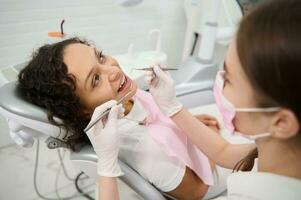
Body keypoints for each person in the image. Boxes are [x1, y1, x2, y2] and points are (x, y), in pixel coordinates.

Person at [86, 0, 301, 199]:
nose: (218, 81)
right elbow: (224, 152)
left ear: (281, 123)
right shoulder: (279, 151)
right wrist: (173, 108)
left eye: (228, 78)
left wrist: (106, 167)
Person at [18, 38, 228, 199]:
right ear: (81, 111)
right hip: (212, 179)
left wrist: (185, 125)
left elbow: (158, 122)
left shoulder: (123, 98)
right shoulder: (143, 147)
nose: (114, 70)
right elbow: (196, 192)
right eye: (96, 79)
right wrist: (209, 139)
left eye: (100, 57)